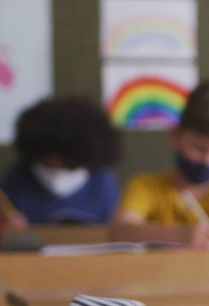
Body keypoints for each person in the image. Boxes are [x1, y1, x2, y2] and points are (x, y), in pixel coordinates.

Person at [109, 78, 209, 247]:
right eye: (199, 148)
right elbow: (120, 231)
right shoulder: (145, 186)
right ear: (176, 136)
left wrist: (205, 235)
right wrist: (182, 234)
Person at [0, 96, 122, 224]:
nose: (56, 165)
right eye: (48, 161)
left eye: (66, 162)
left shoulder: (102, 180)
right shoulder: (17, 177)